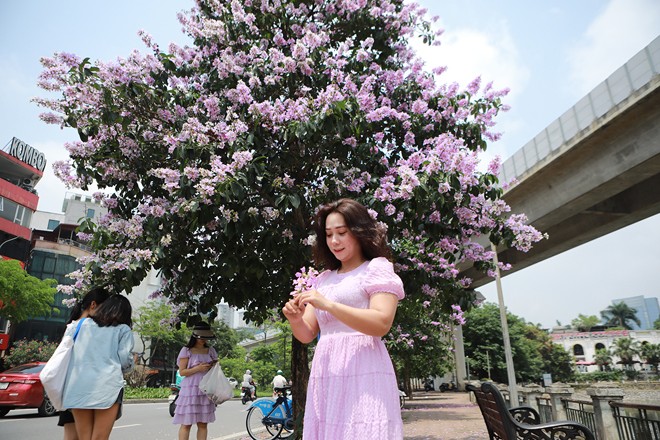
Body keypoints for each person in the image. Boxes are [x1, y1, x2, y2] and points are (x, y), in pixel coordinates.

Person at [283, 198, 405, 439]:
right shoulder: (324, 279)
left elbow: (381, 323)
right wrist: (295, 319)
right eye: (328, 235)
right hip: (327, 371)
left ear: (359, 232)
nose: (334, 241)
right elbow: (307, 334)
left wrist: (328, 304)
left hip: (364, 367)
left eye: (341, 232)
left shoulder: (377, 268)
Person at [61, 293, 134, 440]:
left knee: (84, 437)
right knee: (99, 438)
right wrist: (130, 366)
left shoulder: (76, 326)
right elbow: (125, 361)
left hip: (77, 386)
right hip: (107, 386)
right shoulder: (122, 329)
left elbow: (64, 353)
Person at [58, 287, 110, 440]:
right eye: (104, 308)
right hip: (85, 390)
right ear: (93, 305)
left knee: (70, 436)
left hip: (68, 388)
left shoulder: (72, 325)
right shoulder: (91, 327)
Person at [173, 322, 218, 440]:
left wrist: (213, 366)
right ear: (195, 336)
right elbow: (182, 372)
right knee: (186, 423)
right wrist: (198, 368)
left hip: (206, 389)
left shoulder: (211, 350)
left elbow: (216, 368)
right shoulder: (186, 350)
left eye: (206, 337)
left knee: (203, 424)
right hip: (190, 390)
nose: (204, 339)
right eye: (202, 337)